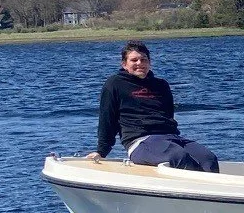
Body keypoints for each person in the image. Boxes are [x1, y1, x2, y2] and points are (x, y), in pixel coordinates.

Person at [89, 41, 221, 172]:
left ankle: (212, 192)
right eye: (134, 60)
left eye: (143, 60)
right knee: (177, 156)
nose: (139, 63)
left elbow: (168, 115)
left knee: (208, 158)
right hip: (140, 142)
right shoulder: (114, 84)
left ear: (149, 62)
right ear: (124, 64)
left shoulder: (161, 85)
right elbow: (107, 120)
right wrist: (101, 151)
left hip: (171, 137)